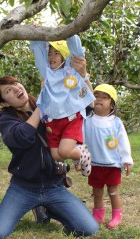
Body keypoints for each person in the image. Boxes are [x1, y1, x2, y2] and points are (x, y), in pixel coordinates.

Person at [0, 76, 99, 238]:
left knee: (89, 229)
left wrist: (84, 75)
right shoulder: (6, 119)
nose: (16, 89)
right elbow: (24, 136)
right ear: (4, 103)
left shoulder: (53, 105)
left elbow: (86, 106)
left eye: (16, 83)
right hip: (23, 189)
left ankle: (45, 208)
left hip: (54, 187)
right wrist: (41, 105)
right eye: (8, 90)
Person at [30, 34, 95, 176]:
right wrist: (36, 34)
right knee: (56, 155)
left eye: (56, 53)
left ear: (64, 56)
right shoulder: (46, 72)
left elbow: (77, 51)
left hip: (71, 118)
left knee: (64, 151)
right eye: (50, 53)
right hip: (52, 122)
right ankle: (78, 152)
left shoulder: (71, 70)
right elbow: (38, 50)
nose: (51, 57)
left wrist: (69, 33)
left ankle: (83, 154)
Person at [84, 84, 133, 229]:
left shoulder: (116, 123)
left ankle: (116, 216)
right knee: (97, 192)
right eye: (96, 96)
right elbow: (82, 141)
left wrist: (126, 160)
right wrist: (80, 160)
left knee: (113, 191)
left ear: (111, 105)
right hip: (95, 164)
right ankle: (98, 216)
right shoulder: (87, 120)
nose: (99, 99)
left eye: (104, 97)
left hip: (112, 165)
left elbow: (123, 142)